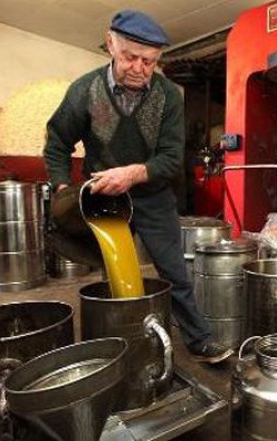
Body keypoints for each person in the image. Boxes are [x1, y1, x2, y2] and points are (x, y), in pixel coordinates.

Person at [44, 10, 233, 364]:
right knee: (113, 273)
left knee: (175, 272)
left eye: (149, 62)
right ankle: (120, 344)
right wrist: (60, 187)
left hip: (152, 195)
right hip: (103, 199)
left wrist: (132, 174)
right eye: (131, 57)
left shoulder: (167, 98)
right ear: (111, 43)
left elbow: (171, 159)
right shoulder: (84, 91)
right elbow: (56, 144)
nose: (139, 68)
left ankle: (199, 340)